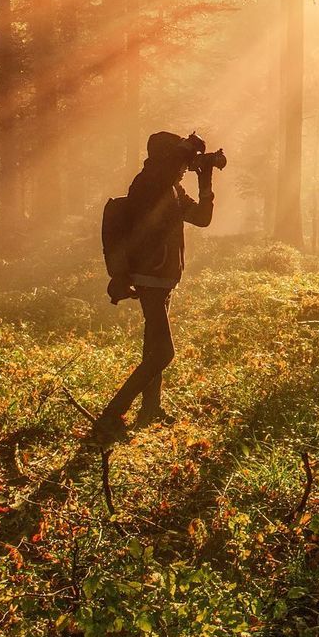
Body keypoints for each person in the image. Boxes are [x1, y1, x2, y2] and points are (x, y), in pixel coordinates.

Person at [91, 131, 215, 444]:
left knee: (152, 346)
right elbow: (161, 178)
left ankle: (150, 409)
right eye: (178, 159)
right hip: (149, 278)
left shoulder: (172, 187)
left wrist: (205, 180)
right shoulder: (147, 183)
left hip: (165, 277)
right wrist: (189, 150)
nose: (184, 167)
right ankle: (112, 414)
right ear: (164, 157)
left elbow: (202, 218)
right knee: (163, 352)